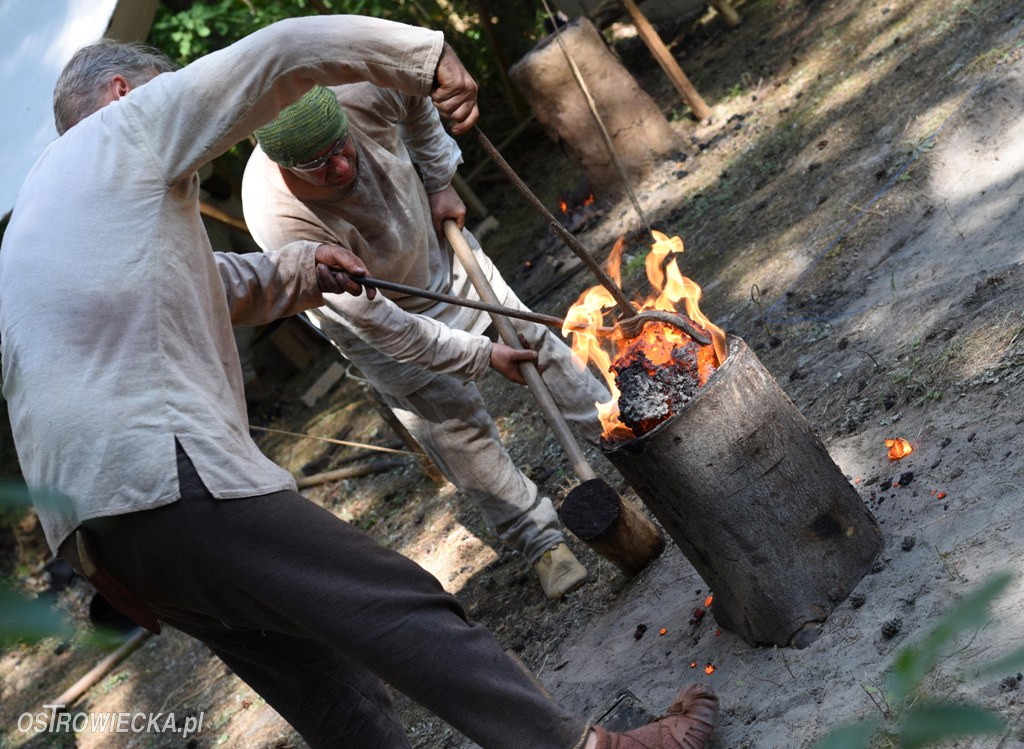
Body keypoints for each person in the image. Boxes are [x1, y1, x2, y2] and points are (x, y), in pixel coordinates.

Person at [0, 15, 718, 749]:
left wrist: (301, 269)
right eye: (161, 90)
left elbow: (201, 284)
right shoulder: (117, 133)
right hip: (162, 476)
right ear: (123, 91)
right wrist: (427, 53)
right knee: (399, 603)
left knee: (333, 695)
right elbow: (280, 52)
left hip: (105, 538)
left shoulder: (47, 215)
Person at [241, 81, 611, 599]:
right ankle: (540, 539)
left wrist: (439, 180)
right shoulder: (276, 218)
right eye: (318, 166)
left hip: (441, 253)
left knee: (537, 345)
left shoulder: (362, 89)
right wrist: (480, 356)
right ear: (282, 163)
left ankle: (622, 439)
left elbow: (415, 98)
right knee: (454, 428)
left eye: (340, 148)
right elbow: (380, 323)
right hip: (374, 321)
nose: (340, 168)